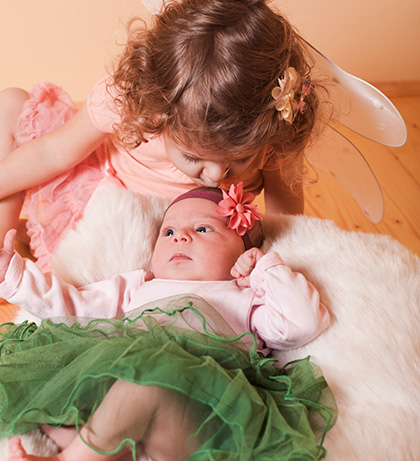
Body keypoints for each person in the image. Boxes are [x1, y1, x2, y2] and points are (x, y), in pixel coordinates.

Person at [1, 185, 334, 461]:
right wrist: (13, 276)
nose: (181, 237)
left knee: (148, 378)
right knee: (53, 371)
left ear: (243, 252)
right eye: (169, 232)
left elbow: (304, 322)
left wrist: (264, 269)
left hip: (194, 418)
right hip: (120, 401)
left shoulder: (247, 298)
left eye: (202, 229)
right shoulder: (140, 285)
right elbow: (72, 307)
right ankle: (104, 449)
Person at [0, 0, 323, 271]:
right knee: (11, 104)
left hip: (162, 243)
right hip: (99, 201)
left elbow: (286, 222)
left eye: (240, 159)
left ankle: (31, 247)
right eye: (193, 157)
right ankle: (4, 241)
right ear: (159, 111)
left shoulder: (273, 132)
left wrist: (264, 268)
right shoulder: (131, 100)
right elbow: (52, 153)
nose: (215, 175)